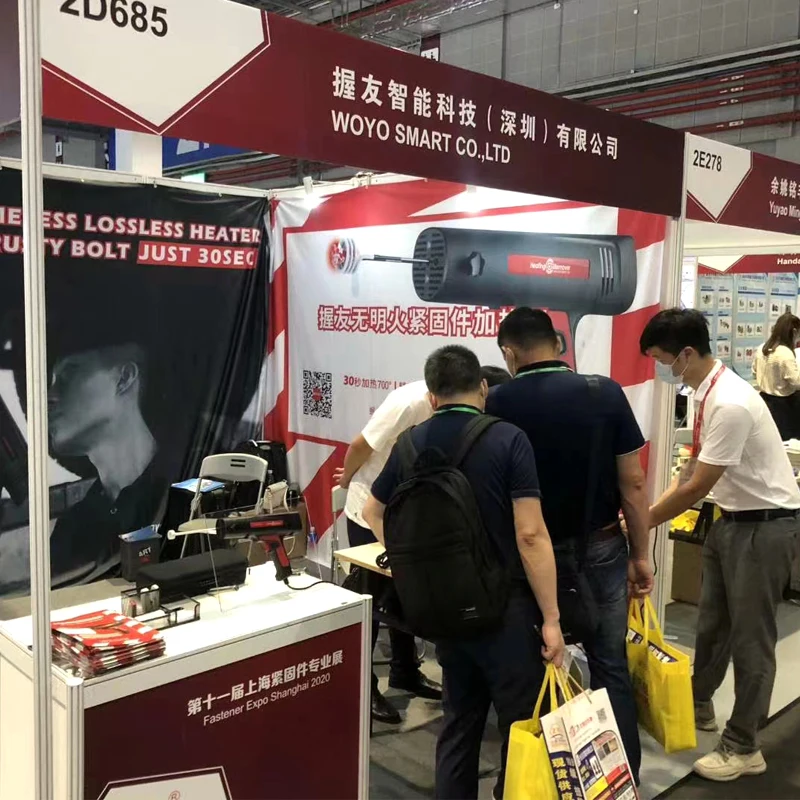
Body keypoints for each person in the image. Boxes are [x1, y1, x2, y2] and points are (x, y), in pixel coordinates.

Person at [363, 345, 564, 800]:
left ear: (432, 396)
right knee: (521, 725)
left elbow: (374, 509)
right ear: (483, 388)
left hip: (443, 608)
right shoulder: (509, 439)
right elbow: (530, 535)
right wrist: (552, 617)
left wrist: (409, 557)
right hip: (506, 608)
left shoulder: (409, 442)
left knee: (459, 721)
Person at [486, 307, 653, 784]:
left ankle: (538, 782)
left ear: (509, 353)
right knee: (609, 664)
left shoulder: (497, 401)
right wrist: (641, 555)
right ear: (559, 344)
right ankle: (623, 781)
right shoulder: (605, 392)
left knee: (533, 669)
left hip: (525, 558)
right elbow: (633, 484)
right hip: (600, 547)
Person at [642, 308, 800, 783]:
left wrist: (642, 523)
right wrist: (646, 513)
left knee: (752, 640)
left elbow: (696, 485)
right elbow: (691, 469)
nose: (661, 369)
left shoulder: (730, 401)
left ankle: (744, 745)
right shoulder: (705, 392)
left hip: (763, 528)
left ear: (687, 354)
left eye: (662, 359)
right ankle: (698, 704)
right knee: (713, 626)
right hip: (730, 521)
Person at [335, 380, 441, 724]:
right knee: (370, 601)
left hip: (405, 510)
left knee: (403, 596)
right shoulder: (408, 403)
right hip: (369, 509)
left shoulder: (452, 403)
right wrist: (347, 481)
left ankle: (405, 671)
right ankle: (362, 686)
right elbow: (360, 444)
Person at [752, 311, 800, 441]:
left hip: (764, 400)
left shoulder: (762, 348)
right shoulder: (785, 353)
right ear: (794, 331)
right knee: (785, 440)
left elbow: (754, 371)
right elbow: (797, 382)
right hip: (783, 406)